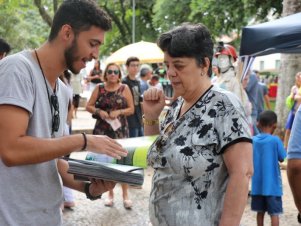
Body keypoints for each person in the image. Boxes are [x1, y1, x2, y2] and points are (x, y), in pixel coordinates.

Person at [0, 1, 128, 225]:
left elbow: (52, 161)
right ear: (67, 33)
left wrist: (89, 187)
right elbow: (11, 150)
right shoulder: (16, 70)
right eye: (92, 43)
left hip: (49, 217)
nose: (95, 55)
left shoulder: (63, 91)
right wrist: (83, 141)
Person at [143, 23, 253, 226]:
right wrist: (150, 117)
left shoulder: (224, 105)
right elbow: (157, 158)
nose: (170, 72)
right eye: (167, 65)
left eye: (179, 65)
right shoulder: (177, 107)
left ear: (204, 64)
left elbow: (242, 172)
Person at [86, 62, 134, 209]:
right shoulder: (99, 88)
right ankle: (110, 194)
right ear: (105, 74)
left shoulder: (124, 88)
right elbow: (88, 105)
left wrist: (119, 112)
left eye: (115, 72)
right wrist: (98, 111)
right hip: (102, 130)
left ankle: (126, 195)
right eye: (110, 71)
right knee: (106, 162)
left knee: (123, 160)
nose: (113, 74)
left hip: (120, 130)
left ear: (119, 74)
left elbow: (131, 109)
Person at [251, 110, 286, 226]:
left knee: (260, 213)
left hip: (257, 187)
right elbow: (282, 158)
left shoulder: (253, 141)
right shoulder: (275, 140)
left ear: (258, 124)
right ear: (274, 125)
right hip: (273, 187)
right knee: (274, 214)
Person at [122, 56, 143, 137]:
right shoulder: (124, 82)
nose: (136, 68)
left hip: (138, 115)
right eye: (133, 65)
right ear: (127, 67)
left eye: (137, 65)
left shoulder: (138, 82)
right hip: (129, 117)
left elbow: (139, 100)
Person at [283, 72, 301, 149]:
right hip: (294, 111)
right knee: (288, 130)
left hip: (299, 112)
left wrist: (296, 97)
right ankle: (285, 147)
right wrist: (294, 97)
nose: (299, 79)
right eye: (298, 77)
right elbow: (292, 97)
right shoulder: (294, 88)